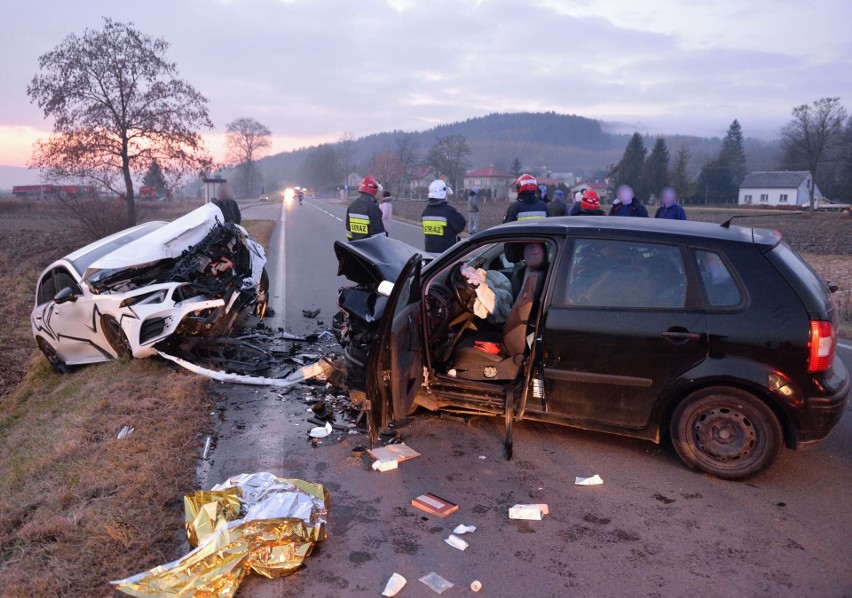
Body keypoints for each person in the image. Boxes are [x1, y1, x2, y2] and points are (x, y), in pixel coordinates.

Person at [422, 179, 466, 253]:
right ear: (442, 194)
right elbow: (461, 225)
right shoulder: (448, 211)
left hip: (429, 253)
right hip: (445, 256)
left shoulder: (426, 212)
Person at [346, 176, 385, 241]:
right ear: (374, 190)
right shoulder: (373, 208)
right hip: (368, 248)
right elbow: (379, 237)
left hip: (355, 247)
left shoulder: (351, 207)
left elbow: (349, 232)